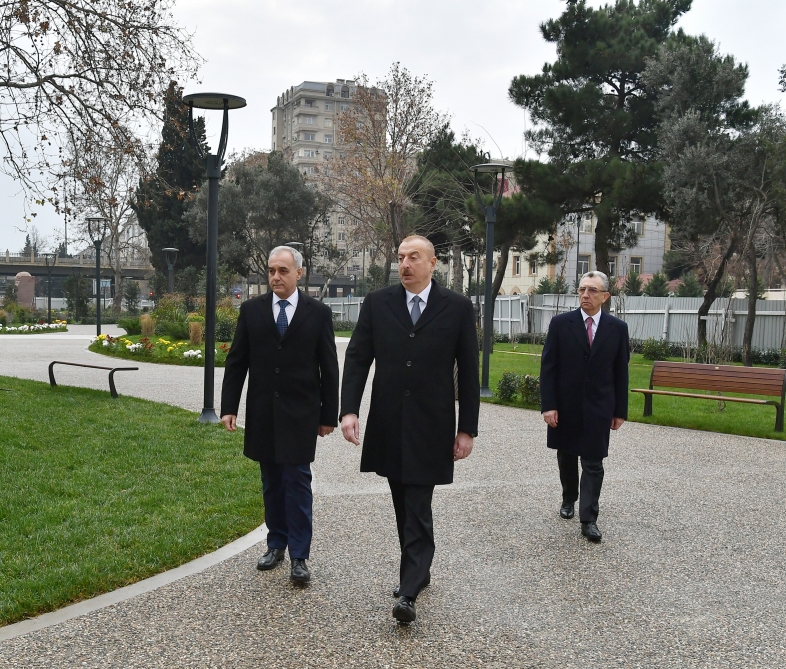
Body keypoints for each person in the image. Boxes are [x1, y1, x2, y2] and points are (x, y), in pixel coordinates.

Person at [340, 235, 480, 623]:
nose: (404, 264)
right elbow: (356, 358)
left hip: (432, 426)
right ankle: (419, 566)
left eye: (413, 258)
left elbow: (469, 372)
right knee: (402, 500)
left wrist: (467, 428)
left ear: (433, 263)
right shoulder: (378, 303)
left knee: (418, 501)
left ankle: (408, 591)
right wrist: (348, 410)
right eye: (400, 258)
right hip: (388, 421)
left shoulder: (456, 308)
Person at [220, 245, 339, 583]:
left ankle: (300, 556)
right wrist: (229, 407)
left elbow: (329, 367)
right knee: (271, 482)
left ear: (299, 273)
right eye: (271, 271)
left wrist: (328, 414)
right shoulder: (251, 311)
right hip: (263, 413)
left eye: (283, 271)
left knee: (297, 483)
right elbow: (237, 362)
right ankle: (276, 544)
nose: (276, 277)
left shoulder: (318, 313)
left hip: (301, 414)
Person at [539, 270, 629, 542]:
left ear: (605, 296)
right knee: (566, 456)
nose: (585, 295)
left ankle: (588, 519)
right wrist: (549, 405)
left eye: (592, 290)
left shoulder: (617, 328)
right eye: (581, 289)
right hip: (565, 407)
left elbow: (620, 373)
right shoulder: (561, 324)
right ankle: (569, 498)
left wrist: (619, 411)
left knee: (593, 462)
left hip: (599, 408)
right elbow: (549, 368)